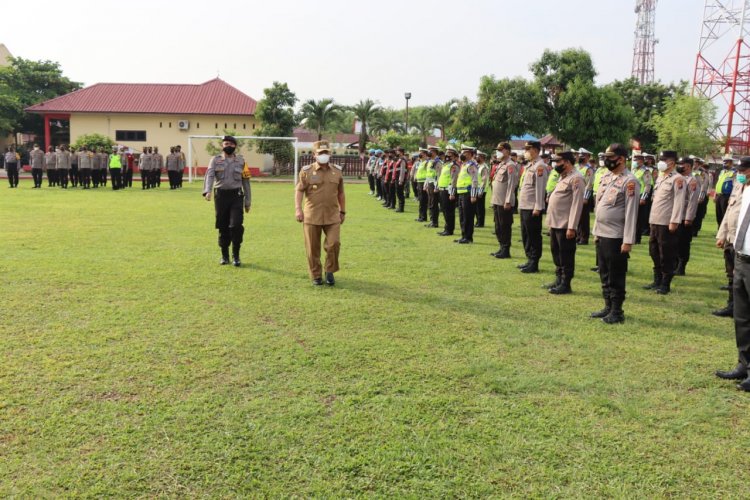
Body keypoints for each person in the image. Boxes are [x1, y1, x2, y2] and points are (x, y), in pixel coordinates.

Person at [591, 143, 639, 324]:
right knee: (603, 272)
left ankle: (617, 311)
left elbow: (631, 213)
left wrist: (628, 241)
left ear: (621, 159)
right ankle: (607, 306)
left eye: (610, 158)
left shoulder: (630, 181)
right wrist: (595, 230)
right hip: (602, 233)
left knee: (615, 274)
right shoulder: (606, 177)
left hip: (616, 236)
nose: (607, 161)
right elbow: (599, 206)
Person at [716, 156, 750, 391]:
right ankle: (744, 363)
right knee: (742, 316)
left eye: (745, 170)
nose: (742, 174)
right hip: (742, 257)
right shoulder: (744, 190)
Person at [295, 140, 345, 285]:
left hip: (333, 215)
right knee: (312, 248)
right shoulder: (306, 171)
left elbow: (341, 193)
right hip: (311, 215)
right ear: (314, 155)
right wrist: (298, 208)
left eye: (326, 153)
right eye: (320, 153)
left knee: (334, 244)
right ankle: (316, 275)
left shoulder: (337, 171)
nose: (324, 155)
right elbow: (299, 190)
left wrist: (343, 211)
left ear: (330, 154)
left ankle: (329, 270)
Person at [203, 136, 252, 267]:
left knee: (236, 226)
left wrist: (248, 201)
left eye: (230, 143)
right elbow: (210, 175)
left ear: (235, 146)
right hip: (221, 197)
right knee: (223, 226)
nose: (228, 145)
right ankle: (224, 256)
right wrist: (207, 191)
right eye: (226, 143)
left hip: (236, 196)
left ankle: (236, 256)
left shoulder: (241, 161)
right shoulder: (215, 160)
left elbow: (246, 182)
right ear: (222, 146)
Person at [646, 151, 686, 295]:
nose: (661, 162)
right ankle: (657, 279)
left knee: (666, 253)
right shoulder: (661, 177)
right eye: (660, 159)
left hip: (666, 222)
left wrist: (675, 221)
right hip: (655, 220)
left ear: (672, 162)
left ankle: (665, 283)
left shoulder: (677, 179)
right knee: (653, 251)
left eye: (664, 160)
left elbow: (679, 202)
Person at [714, 158, 750, 318]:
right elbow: (729, 211)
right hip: (730, 236)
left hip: (744, 242)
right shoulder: (738, 185)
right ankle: (732, 305)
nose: (740, 173)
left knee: (743, 277)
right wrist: (722, 235)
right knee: (731, 274)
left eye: (744, 171)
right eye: (739, 170)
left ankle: (742, 307)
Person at [545, 151, 584, 294]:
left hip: (565, 224)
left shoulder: (576, 178)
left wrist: (572, 227)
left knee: (566, 254)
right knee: (556, 252)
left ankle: (566, 283)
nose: (556, 165)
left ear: (567, 162)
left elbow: (576, 204)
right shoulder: (564, 177)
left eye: (558, 161)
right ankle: (558, 279)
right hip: (555, 223)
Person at [518, 140, 548, 273]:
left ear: (535, 150)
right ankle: (529, 259)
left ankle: (534, 262)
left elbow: (540, 189)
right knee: (526, 234)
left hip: (532, 207)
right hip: (524, 205)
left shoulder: (540, 166)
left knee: (533, 235)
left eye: (527, 150)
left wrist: (538, 206)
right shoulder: (530, 165)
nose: (525, 152)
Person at [490, 142, 518, 259]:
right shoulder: (501, 164)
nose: (498, 152)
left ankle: (506, 250)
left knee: (505, 226)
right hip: (497, 200)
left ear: (507, 151)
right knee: (498, 226)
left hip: (504, 202)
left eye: (500, 150)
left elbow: (512, 184)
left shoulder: (510, 165)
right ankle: (501, 247)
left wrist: (508, 200)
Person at [675, 157, 700, 276]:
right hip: (675, 215)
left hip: (685, 216)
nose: (679, 166)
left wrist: (689, 217)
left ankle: (681, 267)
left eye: (682, 164)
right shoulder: (677, 178)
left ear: (689, 166)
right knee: (674, 241)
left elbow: (692, 200)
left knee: (683, 243)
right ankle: (674, 265)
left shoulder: (692, 180)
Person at [454, 145, 479, 244]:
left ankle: (468, 237)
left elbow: (474, 181)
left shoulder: (471, 165)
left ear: (470, 154)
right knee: (462, 216)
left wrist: (473, 195)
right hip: (461, 193)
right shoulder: (463, 165)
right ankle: (463, 235)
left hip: (468, 194)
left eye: (465, 153)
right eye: (462, 152)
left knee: (468, 216)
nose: (462, 154)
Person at [437, 146, 459, 236]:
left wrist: (452, 193)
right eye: (447, 153)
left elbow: (453, 180)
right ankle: (446, 228)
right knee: (444, 210)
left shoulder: (454, 166)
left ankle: (449, 230)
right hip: (442, 189)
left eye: (450, 154)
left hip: (449, 191)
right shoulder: (445, 165)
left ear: (454, 156)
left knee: (449, 211)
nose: (447, 155)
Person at [632, 152, 653, 244]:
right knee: (632, 217)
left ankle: (637, 238)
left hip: (640, 196)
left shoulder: (645, 171)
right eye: (634, 160)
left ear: (641, 161)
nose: (635, 162)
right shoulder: (634, 170)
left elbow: (647, 185)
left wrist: (643, 198)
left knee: (639, 218)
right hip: (632, 195)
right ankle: (631, 236)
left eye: (637, 160)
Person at [576, 148, 595, 245]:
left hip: (584, 196)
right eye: (580, 155)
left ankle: (584, 238)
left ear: (588, 157)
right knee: (577, 217)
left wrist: (586, 197)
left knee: (583, 218)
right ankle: (578, 236)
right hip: (576, 195)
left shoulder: (588, 169)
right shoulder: (576, 167)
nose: (581, 157)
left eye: (583, 156)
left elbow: (589, 184)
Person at [715, 154, 736, 226]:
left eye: (726, 162)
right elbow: (718, 183)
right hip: (719, 196)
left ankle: (724, 233)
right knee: (718, 215)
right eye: (724, 161)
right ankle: (719, 231)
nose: (724, 163)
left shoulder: (734, 172)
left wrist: (731, 197)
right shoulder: (722, 171)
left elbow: (735, 186)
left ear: (731, 162)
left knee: (725, 215)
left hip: (727, 196)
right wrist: (715, 195)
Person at [692, 157, 710, 236]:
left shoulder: (702, 173)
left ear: (698, 164)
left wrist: (701, 197)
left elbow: (704, 186)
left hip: (699, 196)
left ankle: (695, 231)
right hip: (691, 195)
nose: (693, 164)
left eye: (695, 162)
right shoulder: (690, 171)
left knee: (698, 214)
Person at [424, 145, 441, 228]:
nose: (429, 153)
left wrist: (436, 187)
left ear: (434, 152)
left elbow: (438, 175)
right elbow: (428, 174)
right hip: (429, 184)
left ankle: (435, 222)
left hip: (434, 185)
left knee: (434, 204)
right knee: (430, 203)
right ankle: (431, 221)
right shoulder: (430, 161)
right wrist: (426, 184)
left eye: (430, 151)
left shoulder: (437, 162)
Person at [475, 151, 489, 228]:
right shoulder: (478, 166)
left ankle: (480, 222)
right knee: (477, 207)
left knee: (480, 207)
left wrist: (481, 190)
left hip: (481, 190)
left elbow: (484, 180)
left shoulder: (484, 167)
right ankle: (478, 221)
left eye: (478, 156)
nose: (477, 157)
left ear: (482, 158)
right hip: (477, 189)